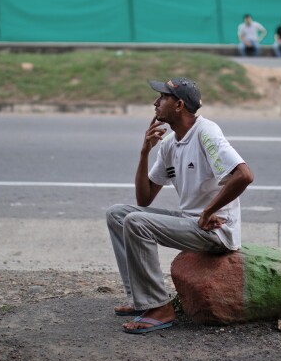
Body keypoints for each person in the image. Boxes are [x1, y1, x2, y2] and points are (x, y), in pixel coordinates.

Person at [105, 77, 254, 334]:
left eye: (162, 98)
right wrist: (144, 152)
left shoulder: (206, 132)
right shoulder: (170, 144)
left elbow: (244, 175)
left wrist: (209, 211)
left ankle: (159, 307)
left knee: (136, 222)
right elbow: (144, 199)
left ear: (179, 105)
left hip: (216, 230)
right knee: (118, 214)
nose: (155, 102)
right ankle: (139, 299)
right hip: (190, 221)